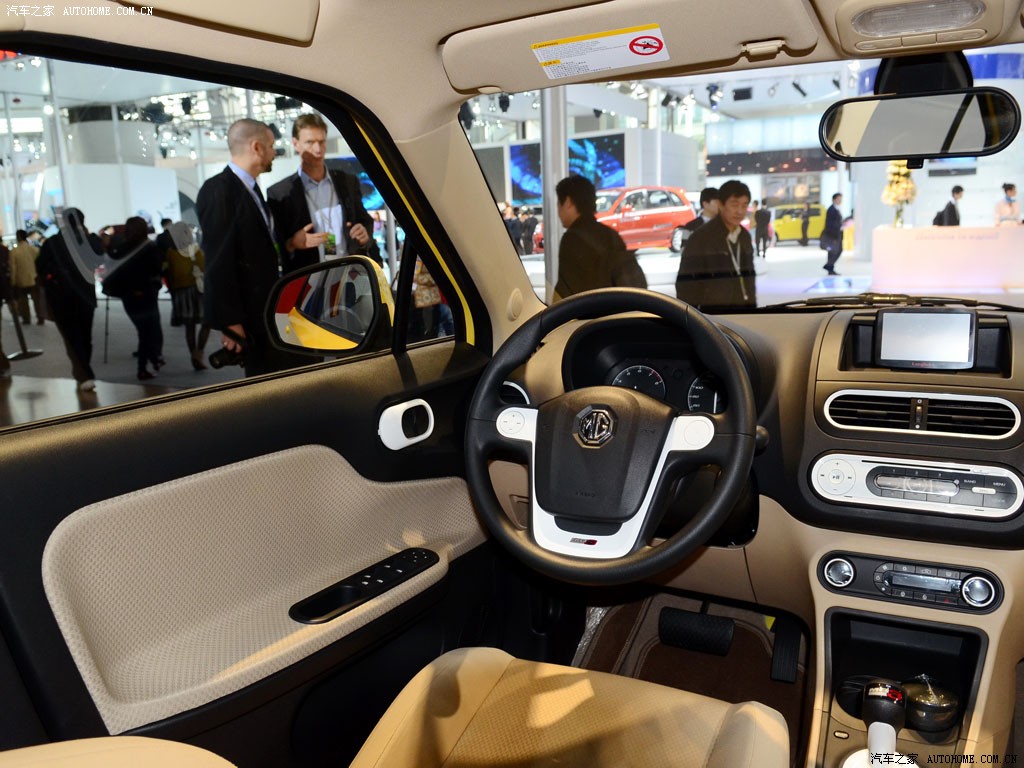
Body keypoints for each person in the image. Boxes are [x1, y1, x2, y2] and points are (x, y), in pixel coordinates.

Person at [199, 118, 295, 377]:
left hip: (269, 311)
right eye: (271, 145)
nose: (274, 152)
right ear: (256, 147)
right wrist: (231, 321)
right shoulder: (219, 190)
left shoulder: (250, 189)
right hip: (252, 316)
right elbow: (218, 260)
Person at [267, 112, 377, 275]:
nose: (318, 149)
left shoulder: (347, 181)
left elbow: (364, 220)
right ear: (296, 144)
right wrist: (292, 243)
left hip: (350, 273)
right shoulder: (280, 193)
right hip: (308, 278)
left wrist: (364, 233)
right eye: (310, 142)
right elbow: (274, 246)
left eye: (321, 142)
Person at [35, 207, 105, 391]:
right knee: (85, 336)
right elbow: (99, 259)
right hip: (86, 296)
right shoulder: (87, 241)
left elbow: (40, 267)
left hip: (61, 298)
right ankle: (84, 371)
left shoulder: (52, 243)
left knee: (72, 338)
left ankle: (84, 374)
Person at [553, 174, 646, 300]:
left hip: (592, 311)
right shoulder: (611, 234)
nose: (558, 211)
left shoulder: (571, 239)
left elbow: (567, 295)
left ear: (568, 202)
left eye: (559, 204)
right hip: (620, 309)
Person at [675, 180, 756, 309]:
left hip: (742, 310)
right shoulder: (701, 237)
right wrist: (692, 316)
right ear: (720, 205)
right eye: (734, 205)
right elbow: (686, 285)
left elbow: (750, 278)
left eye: (744, 205)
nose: (740, 211)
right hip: (712, 313)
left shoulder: (744, 236)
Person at [104, 216, 165, 380]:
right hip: (147, 295)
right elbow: (156, 269)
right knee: (148, 331)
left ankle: (152, 360)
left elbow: (113, 268)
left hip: (128, 296)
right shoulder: (149, 247)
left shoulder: (121, 248)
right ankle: (144, 366)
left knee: (143, 330)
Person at [164, 221, 211, 370]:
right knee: (206, 323)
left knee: (189, 327)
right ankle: (199, 353)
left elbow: (169, 274)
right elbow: (204, 268)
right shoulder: (195, 249)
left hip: (181, 292)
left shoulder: (170, 253)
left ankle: (194, 355)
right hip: (197, 291)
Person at [8, 229, 43, 324]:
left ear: (18, 237)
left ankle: (26, 318)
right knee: (36, 300)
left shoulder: (14, 251)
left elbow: (13, 267)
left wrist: (13, 281)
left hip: (21, 279)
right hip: (34, 278)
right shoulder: (34, 249)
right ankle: (40, 318)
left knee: (23, 300)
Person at [821, 193, 843, 276]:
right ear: (834, 199)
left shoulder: (836, 209)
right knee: (834, 251)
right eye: (839, 199)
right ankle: (829, 267)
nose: (840, 201)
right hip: (832, 234)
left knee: (836, 250)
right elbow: (829, 223)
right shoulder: (831, 209)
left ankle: (829, 266)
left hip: (836, 233)